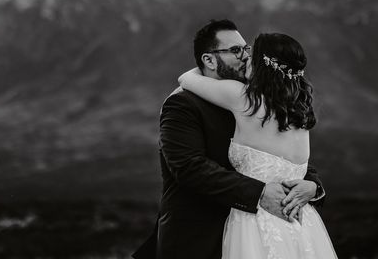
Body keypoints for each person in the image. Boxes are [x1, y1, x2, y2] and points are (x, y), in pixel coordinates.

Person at [133, 20, 325, 259]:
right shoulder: (182, 103)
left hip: (261, 231)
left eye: (246, 49)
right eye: (235, 50)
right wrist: (260, 194)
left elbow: (281, 158)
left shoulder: (257, 98)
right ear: (209, 60)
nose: (245, 57)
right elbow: (189, 167)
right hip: (200, 238)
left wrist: (313, 186)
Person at [176, 30, 338, 259]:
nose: (245, 58)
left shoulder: (243, 98)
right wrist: (313, 187)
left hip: (255, 222)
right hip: (303, 222)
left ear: (262, 64)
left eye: (250, 53)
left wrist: (208, 63)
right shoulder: (300, 112)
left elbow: (186, 79)